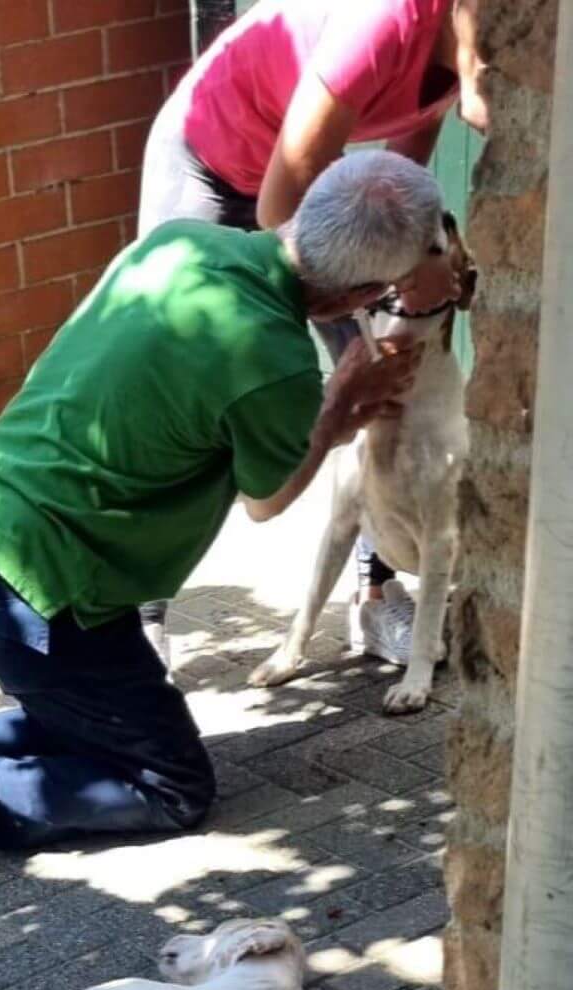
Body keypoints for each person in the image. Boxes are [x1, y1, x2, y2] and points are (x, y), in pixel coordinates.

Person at [0, 150, 441, 875]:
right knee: (173, 784)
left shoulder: (181, 240)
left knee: (88, 717)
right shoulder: (273, 358)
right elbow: (266, 500)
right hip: (49, 590)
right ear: (353, 297)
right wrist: (337, 407)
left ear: (305, 209)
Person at [138, 0, 488, 664]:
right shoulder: (387, 22)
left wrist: (423, 262)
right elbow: (279, 211)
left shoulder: (452, 55)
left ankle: (374, 595)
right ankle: (139, 614)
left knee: (381, 376)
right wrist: (383, 290)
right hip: (210, 160)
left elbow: (401, 184)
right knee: (186, 372)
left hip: (298, 192)